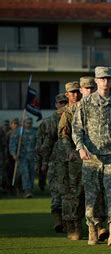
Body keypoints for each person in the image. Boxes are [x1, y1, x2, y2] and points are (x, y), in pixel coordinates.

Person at [72, 66, 111, 246]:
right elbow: (77, 129)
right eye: (102, 79)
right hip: (91, 157)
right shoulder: (85, 102)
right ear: (96, 81)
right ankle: (93, 228)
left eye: (108, 79)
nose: (105, 82)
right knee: (93, 196)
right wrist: (80, 148)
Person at [36, 93, 68, 232]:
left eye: (65, 102)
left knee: (70, 193)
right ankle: (58, 220)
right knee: (56, 192)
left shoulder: (73, 118)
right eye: (61, 103)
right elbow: (42, 145)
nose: (63, 105)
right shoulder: (48, 122)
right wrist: (43, 163)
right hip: (54, 162)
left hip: (70, 161)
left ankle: (69, 221)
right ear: (56, 105)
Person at [58, 81, 84, 240]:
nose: (75, 95)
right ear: (67, 94)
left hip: (88, 156)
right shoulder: (65, 113)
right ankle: (73, 225)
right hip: (70, 158)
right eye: (72, 92)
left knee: (92, 192)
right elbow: (63, 136)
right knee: (71, 193)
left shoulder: (87, 107)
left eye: (77, 92)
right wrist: (70, 151)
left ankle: (98, 225)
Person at [9, 117, 37, 198]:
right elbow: (12, 143)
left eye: (30, 123)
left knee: (32, 173)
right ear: (23, 123)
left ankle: (30, 189)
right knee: (25, 173)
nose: (29, 124)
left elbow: (38, 144)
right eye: (27, 122)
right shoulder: (18, 132)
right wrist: (13, 154)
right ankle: (26, 190)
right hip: (22, 156)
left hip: (32, 157)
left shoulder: (34, 132)